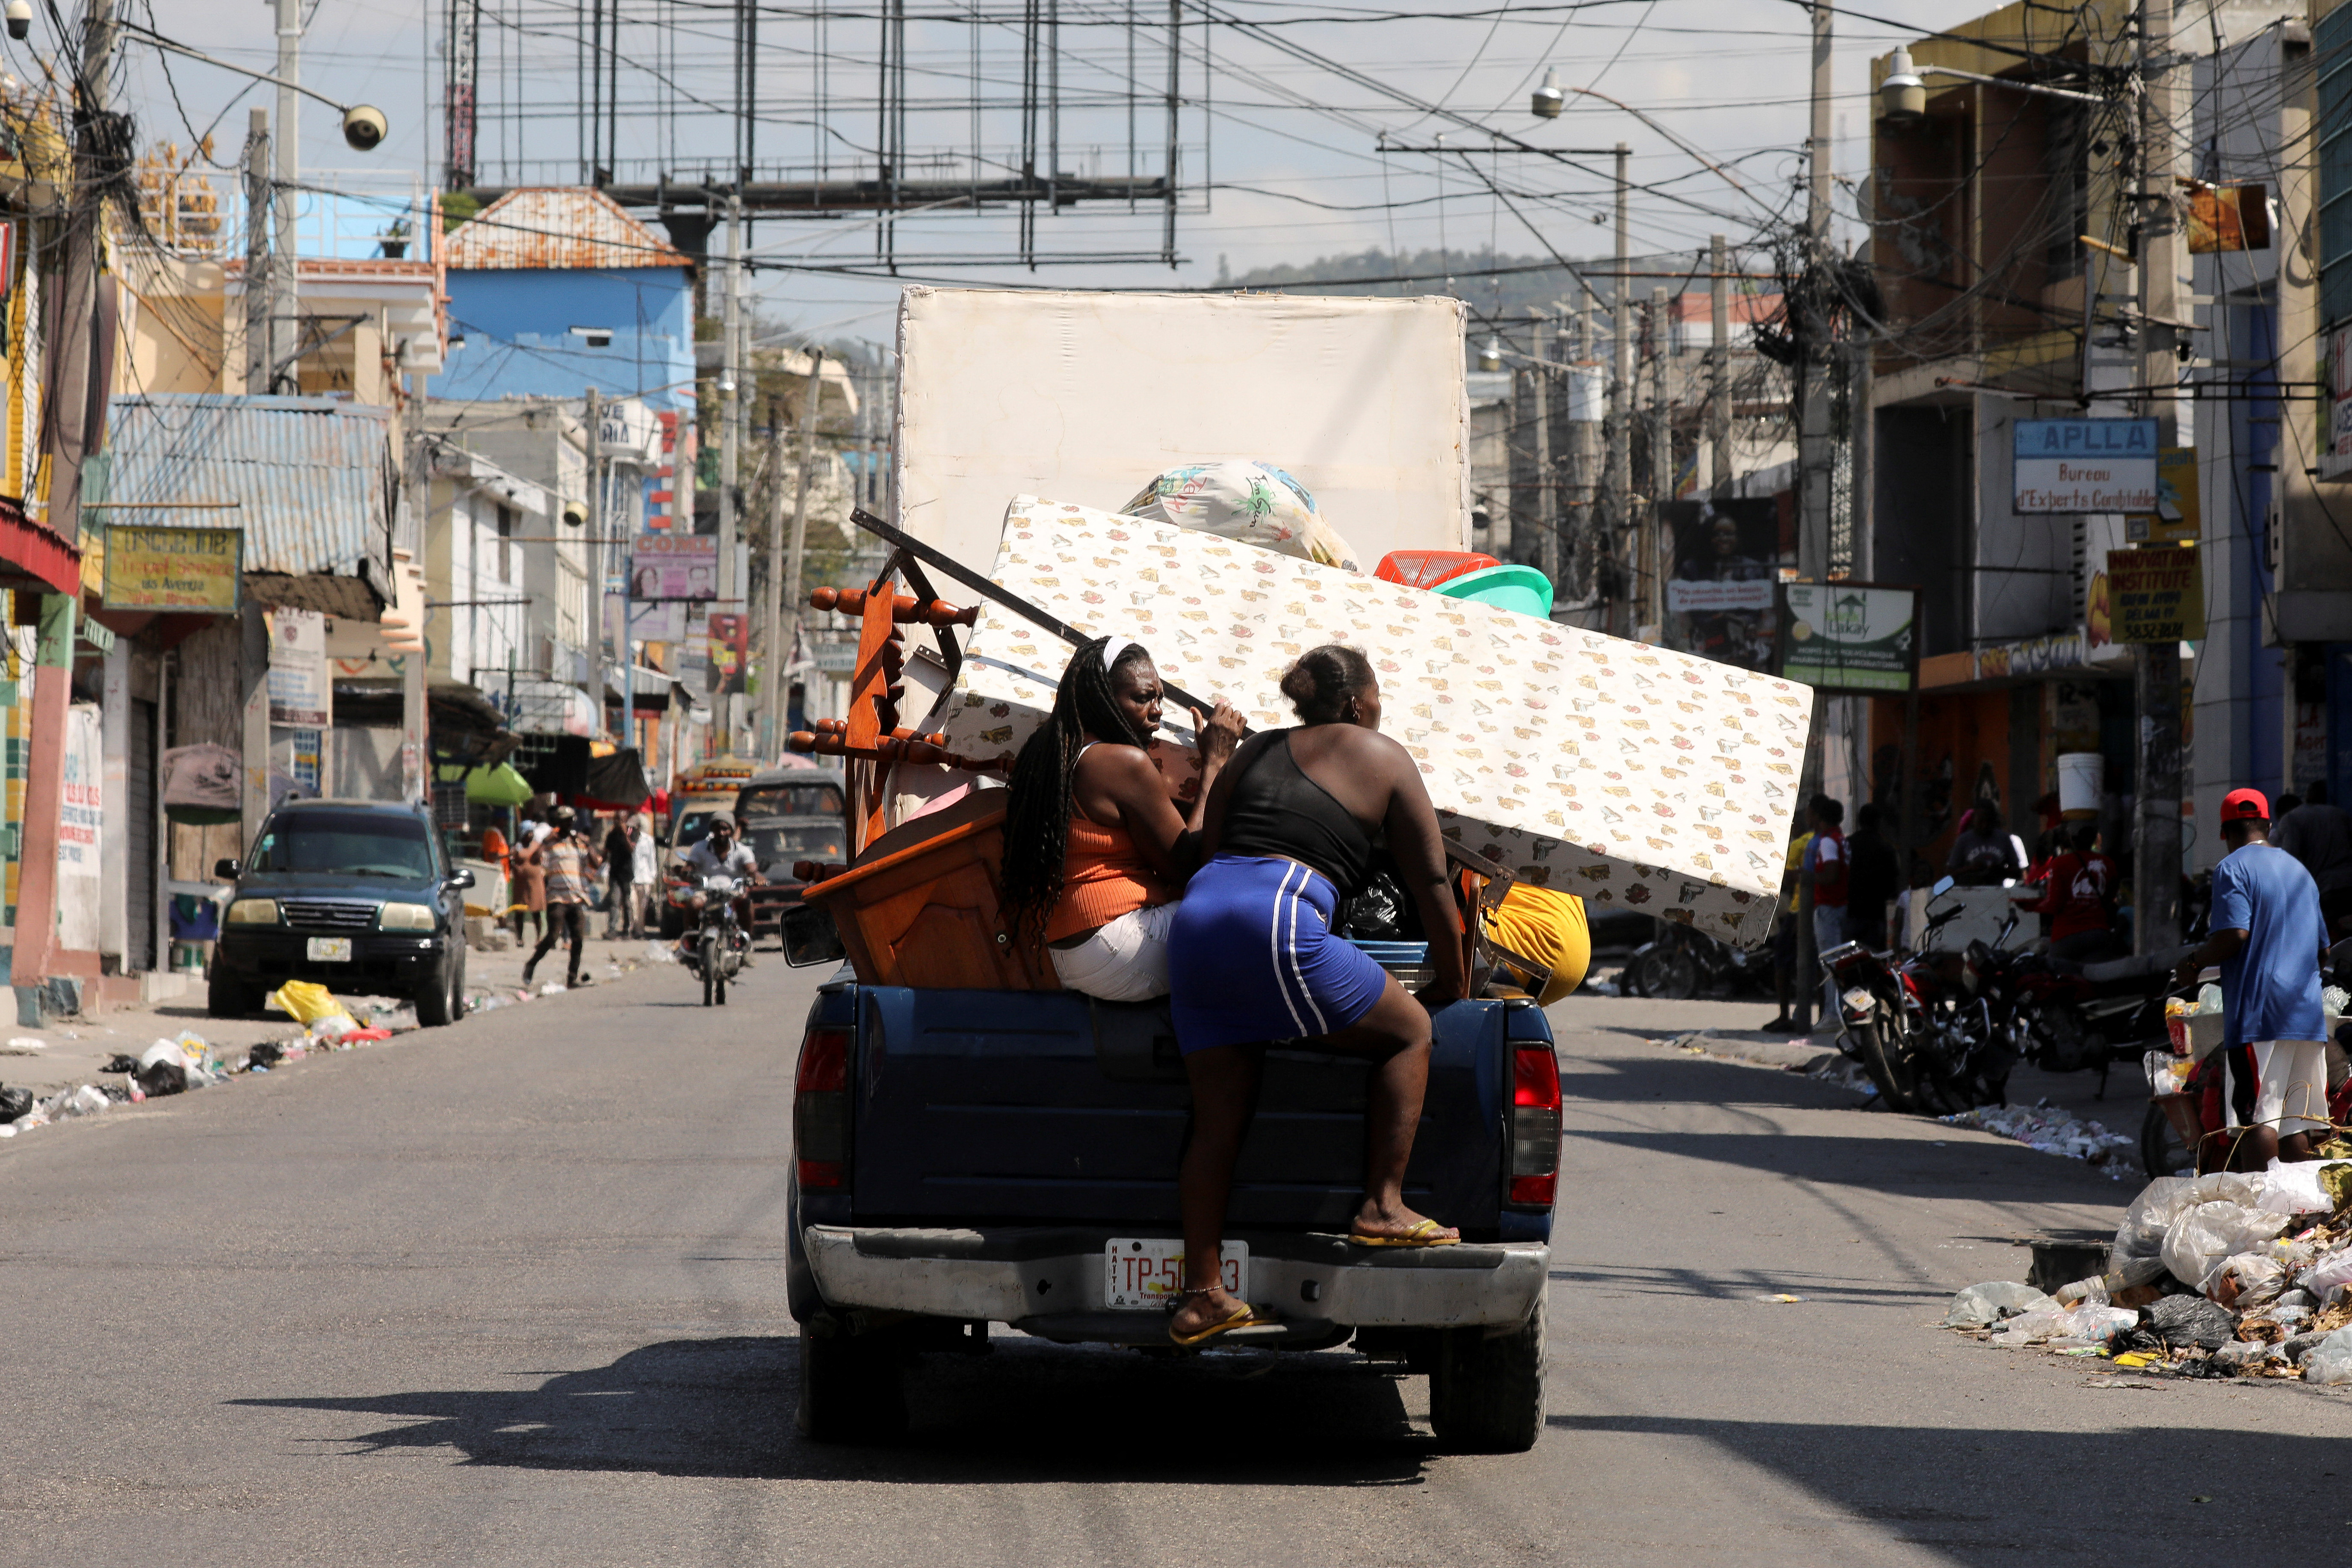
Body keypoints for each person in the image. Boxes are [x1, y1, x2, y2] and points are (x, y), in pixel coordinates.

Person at [1162, 645, 1470, 1346]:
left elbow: (1207, 850)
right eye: (1380, 697)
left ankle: (1202, 1295)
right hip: (1277, 915)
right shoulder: (1382, 754)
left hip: (1199, 923)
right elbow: (1430, 883)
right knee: (1411, 1029)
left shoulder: (1253, 751)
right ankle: (1383, 1206)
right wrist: (1454, 982)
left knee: (1217, 1122)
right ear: (1359, 705)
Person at [999, 636, 1244, 1001]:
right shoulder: (1124, 763)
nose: (1158, 709)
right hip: (1115, 944)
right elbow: (1190, 868)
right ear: (1102, 698)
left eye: (1160, 697)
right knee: (1252, 925)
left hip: (1064, 951)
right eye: (1143, 697)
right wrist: (1216, 763)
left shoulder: (1050, 748)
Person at [2171, 789, 2330, 1170]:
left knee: (2257, 1119)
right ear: (2269, 826)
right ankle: (2296, 1216)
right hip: (2307, 1017)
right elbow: (2322, 950)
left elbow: (2234, 935)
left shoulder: (2232, 869)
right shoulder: (2300, 872)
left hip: (2260, 1016)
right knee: (2294, 1125)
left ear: (2225, 832)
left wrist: (2192, 962)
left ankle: (2260, 1219)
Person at [522, 805, 601, 989]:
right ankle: (532, 963)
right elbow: (535, 859)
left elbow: (595, 863)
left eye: (571, 820)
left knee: (578, 939)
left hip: (576, 897)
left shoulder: (578, 843)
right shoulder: (550, 843)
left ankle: (572, 978)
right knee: (553, 936)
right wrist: (544, 844)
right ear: (559, 823)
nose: (569, 823)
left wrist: (587, 844)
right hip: (556, 897)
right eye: (565, 821)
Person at [674, 813, 761, 965]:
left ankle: (745, 947)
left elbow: (752, 870)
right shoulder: (699, 848)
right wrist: (686, 872)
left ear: (732, 830)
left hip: (732, 892)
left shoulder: (742, 851)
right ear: (712, 830)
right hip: (707, 891)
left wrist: (757, 877)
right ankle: (692, 945)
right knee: (693, 904)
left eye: (725, 829)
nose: (721, 833)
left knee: (746, 903)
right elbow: (691, 866)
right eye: (717, 828)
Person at [2028, 821, 2122, 961]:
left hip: (2067, 936)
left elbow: (2055, 904)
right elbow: (2110, 899)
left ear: (2072, 839)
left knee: (2057, 976)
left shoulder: (2060, 864)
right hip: (2100, 934)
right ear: (2095, 838)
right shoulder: (2108, 863)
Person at [2272, 780, 2352, 938]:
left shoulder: (2292, 819)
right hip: (2349, 885)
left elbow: (2290, 861)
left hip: (2326, 890)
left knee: (2327, 940)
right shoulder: (2340, 814)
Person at [1762, 820, 1813, 1032]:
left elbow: (1788, 880)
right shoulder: (1825, 840)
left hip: (1798, 908)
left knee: (1783, 959)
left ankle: (1786, 1015)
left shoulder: (1800, 844)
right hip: (1817, 907)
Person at [1803, 795, 1848, 1022]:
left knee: (1831, 962)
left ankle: (1832, 1013)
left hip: (1829, 907)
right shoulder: (1841, 839)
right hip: (1839, 906)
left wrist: (1806, 877)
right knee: (1838, 961)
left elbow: (1831, 875)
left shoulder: (1828, 842)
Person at [1844, 803, 1902, 951]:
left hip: (1850, 911)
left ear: (1859, 821)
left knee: (1849, 960)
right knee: (1874, 960)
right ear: (1879, 822)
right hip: (1875, 914)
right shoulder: (1886, 848)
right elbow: (1893, 884)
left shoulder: (1848, 844)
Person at [1947, 804, 2022, 886]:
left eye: (1989, 822)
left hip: (1997, 892)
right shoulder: (1964, 840)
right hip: (1968, 892)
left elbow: (2018, 873)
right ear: (1974, 820)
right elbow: (1950, 874)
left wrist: (2001, 870)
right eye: (1981, 821)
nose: (1985, 826)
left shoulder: (2004, 838)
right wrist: (1970, 869)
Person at [602, 812, 638, 938]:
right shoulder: (612, 835)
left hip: (626, 873)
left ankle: (627, 929)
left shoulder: (632, 833)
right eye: (616, 819)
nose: (618, 822)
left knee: (627, 903)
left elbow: (631, 849)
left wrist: (624, 834)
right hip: (614, 872)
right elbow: (606, 852)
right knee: (614, 902)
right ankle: (612, 929)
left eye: (620, 819)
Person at [629, 813, 659, 938]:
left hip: (645, 878)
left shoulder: (648, 840)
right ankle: (633, 929)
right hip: (632, 878)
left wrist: (653, 876)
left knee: (643, 908)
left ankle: (640, 931)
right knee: (632, 904)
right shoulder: (628, 840)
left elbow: (652, 859)